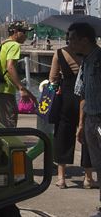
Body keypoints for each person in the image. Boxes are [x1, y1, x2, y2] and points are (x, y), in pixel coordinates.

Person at [49, 34, 95, 189]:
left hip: (66, 97)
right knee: (87, 137)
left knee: (63, 134)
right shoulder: (91, 54)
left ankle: (61, 178)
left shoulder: (60, 53)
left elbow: (53, 79)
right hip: (88, 97)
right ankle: (88, 178)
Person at [73, 22, 101, 214]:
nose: (69, 43)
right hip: (91, 118)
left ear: (85, 40)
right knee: (98, 165)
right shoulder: (85, 61)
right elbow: (81, 94)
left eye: (72, 39)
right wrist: (81, 124)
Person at [0, 21, 37, 128]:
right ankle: (10, 144)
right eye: (24, 32)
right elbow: (10, 67)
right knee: (10, 125)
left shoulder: (2, 44)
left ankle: (3, 144)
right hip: (5, 91)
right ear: (15, 32)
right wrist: (21, 88)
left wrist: (28, 92)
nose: (26, 35)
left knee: (1, 124)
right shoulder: (14, 45)